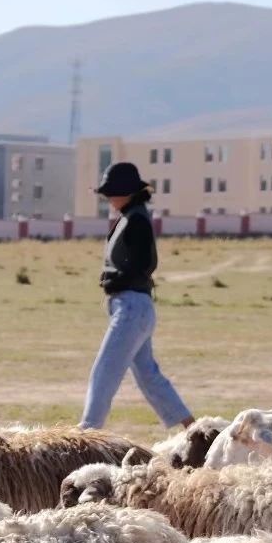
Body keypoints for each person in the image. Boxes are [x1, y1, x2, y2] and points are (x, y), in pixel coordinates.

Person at [78, 161, 193, 431]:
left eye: (112, 191)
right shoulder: (131, 216)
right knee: (148, 376)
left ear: (128, 192)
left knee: (105, 371)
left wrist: (115, 279)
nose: (108, 197)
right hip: (133, 307)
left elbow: (145, 263)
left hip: (131, 307)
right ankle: (195, 430)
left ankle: (88, 432)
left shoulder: (136, 219)